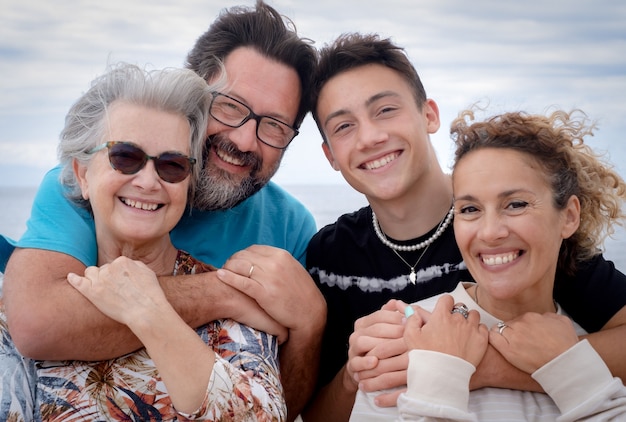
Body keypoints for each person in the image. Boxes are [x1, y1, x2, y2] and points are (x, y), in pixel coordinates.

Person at [1, 2, 325, 420]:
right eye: (230, 106)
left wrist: (311, 324)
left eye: (274, 126)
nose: (245, 140)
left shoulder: (288, 226)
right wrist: (223, 293)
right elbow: (37, 323)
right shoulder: (85, 188)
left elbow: (277, 399)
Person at [302, 33, 626, 421]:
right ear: (330, 156)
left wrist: (486, 366)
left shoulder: (515, 233)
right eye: (343, 127)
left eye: (386, 109)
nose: (370, 136)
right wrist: (356, 374)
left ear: (429, 115)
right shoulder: (329, 256)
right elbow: (319, 413)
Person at [351, 108, 626, 421]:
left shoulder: (601, 357)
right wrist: (442, 371)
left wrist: (569, 369)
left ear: (569, 216)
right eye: (469, 209)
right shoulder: (404, 346)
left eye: (516, 204)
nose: (491, 232)